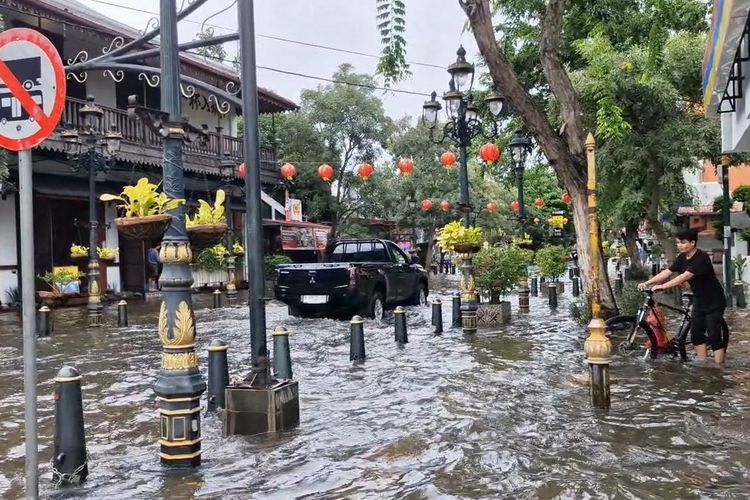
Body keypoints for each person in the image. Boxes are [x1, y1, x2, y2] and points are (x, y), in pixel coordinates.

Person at [638, 228, 727, 364]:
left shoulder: (701, 257)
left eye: (683, 242)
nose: (680, 245)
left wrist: (663, 286)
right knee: (696, 335)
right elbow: (667, 272)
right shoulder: (682, 257)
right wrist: (647, 282)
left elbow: (684, 277)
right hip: (699, 300)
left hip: (714, 301)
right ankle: (703, 365)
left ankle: (718, 367)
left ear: (692, 243)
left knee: (714, 335)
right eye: (678, 243)